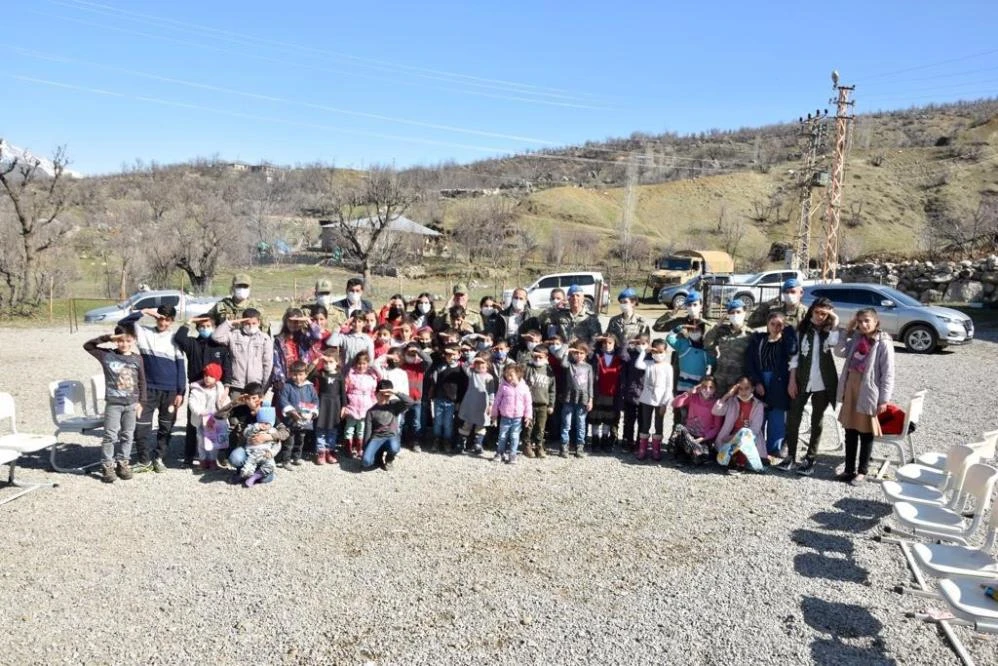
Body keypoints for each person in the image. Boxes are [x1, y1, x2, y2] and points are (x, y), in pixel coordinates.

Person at [120, 305, 186, 474]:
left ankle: (159, 458)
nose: (163, 322)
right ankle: (144, 460)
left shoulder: (175, 339)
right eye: (160, 318)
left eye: (167, 319)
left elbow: (181, 367)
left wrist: (181, 392)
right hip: (147, 390)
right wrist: (144, 312)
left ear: (171, 321)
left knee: (166, 427)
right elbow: (123, 322)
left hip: (170, 392)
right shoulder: (144, 333)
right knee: (141, 426)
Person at [834, 308, 895, 486]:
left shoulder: (883, 342)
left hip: (868, 391)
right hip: (851, 387)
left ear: (876, 322)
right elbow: (839, 352)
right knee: (850, 430)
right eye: (860, 321)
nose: (863, 324)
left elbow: (888, 373)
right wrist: (848, 330)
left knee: (865, 432)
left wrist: (884, 399)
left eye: (867, 320)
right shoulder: (857, 337)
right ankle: (848, 469)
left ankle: (862, 471)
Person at [779, 298, 840, 475]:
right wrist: (791, 381)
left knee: (817, 419)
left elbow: (834, 344)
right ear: (812, 311)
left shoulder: (829, 330)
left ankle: (810, 457)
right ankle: (790, 455)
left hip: (823, 381)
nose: (820, 316)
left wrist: (834, 322)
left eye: (825, 313)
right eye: (818, 312)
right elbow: (795, 356)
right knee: (793, 417)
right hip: (801, 379)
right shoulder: (802, 329)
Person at [83, 327, 147, 483]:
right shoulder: (107, 356)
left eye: (127, 340)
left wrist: (142, 402)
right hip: (114, 404)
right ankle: (107, 465)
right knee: (110, 436)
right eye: (120, 340)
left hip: (131, 404)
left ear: (134, 340)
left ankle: (123, 463)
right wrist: (107, 337)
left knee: (127, 435)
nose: (124, 344)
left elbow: (142, 381)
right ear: (115, 340)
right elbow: (88, 346)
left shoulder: (137, 359)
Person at [174, 316, 230, 466]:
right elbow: (179, 337)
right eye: (201, 326)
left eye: (208, 325)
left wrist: (226, 387)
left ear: (214, 327)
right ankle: (189, 455)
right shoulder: (192, 343)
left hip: (215, 390)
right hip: (197, 390)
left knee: (217, 424)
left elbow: (227, 369)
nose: (204, 328)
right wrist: (189, 321)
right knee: (194, 423)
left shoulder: (220, 346)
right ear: (198, 328)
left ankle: (217, 456)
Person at [746, 311, 798, 461]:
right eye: (772, 324)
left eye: (779, 324)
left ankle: (774, 449)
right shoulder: (758, 341)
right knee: (759, 416)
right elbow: (750, 363)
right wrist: (756, 382)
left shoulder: (786, 342)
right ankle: (758, 447)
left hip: (779, 383)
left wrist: (788, 330)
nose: (776, 327)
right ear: (767, 325)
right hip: (761, 379)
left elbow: (793, 351)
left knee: (777, 417)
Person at [211, 308, 273, 401]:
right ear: (242, 322)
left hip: (256, 386)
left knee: (254, 414)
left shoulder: (264, 339)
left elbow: (267, 364)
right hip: (237, 386)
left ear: (259, 323)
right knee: (235, 413)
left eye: (254, 323)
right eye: (247, 323)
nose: (250, 326)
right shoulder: (234, 335)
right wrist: (229, 323)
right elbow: (216, 337)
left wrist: (264, 388)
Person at [711, 376, 766, 473]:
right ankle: (732, 461)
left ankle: (737, 463)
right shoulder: (732, 401)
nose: (743, 392)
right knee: (726, 456)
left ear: (752, 389)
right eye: (740, 389)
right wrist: (728, 395)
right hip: (730, 439)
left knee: (744, 432)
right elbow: (716, 411)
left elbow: (755, 429)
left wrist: (735, 437)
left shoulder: (758, 405)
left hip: (749, 439)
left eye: (747, 388)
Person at [634, 338, 674, 462]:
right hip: (647, 398)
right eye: (655, 352)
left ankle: (656, 449)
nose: (658, 355)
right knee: (645, 423)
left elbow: (669, 387)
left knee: (658, 424)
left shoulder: (668, 367)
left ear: (666, 352)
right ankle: (643, 449)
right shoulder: (649, 363)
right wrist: (644, 351)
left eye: (661, 352)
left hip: (660, 400)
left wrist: (664, 403)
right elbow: (638, 364)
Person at [362, 380, 415, 471]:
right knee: (366, 462)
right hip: (377, 437)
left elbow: (410, 402)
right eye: (381, 394)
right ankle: (378, 455)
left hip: (391, 436)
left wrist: (396, 392)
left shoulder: (394, 405)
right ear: (376, 393)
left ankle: (389, 459)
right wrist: (366, 448)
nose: (384, 397)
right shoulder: (371, 411)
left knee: (394, 448)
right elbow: (368, 431)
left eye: (387, 395)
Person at [554, 340, 594, 458]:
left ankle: (579, 446)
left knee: (581, 424)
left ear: (586, 354)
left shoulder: (588, 367)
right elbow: (562, 363)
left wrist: (591, 399)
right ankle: (564, 446)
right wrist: (568, 350)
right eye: (576, 353)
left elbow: (590, 384)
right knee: (566, 423)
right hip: (569, 398)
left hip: (583, 398)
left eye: (582, 353)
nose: (579, 355)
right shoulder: (569, 365)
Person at [703, 299, 752, 395]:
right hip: (720, 380)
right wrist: (717, 326)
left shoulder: (750, 334)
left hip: (737, 383)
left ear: (744, 313)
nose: (735, 315)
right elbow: (707, 343)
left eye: (738, 312)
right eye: (732, 312)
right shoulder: (722, 331)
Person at [669, 376, 722, 464]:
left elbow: (716, 428)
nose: (707, 390)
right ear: (700, 387)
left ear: (715, 389)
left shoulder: (716, 404)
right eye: (704, 386)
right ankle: (684, 454)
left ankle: (690, 456)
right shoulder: (693, 397)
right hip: (688, 435)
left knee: (700, 453)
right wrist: (688, 393)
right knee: (679, 428)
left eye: (711, 387)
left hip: (703, 439)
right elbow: (675, 404)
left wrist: (701, 439)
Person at [187, 362, 229, 472]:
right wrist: (200, 412)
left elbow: (225, 402)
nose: (207, 378)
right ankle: (202, 460)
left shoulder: (220, 389)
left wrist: (222, 407)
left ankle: (212, 460)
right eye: (206, 375)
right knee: (201, 440)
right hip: (201, 419)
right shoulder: (196, 389)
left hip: (215, 420)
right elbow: (192, 403)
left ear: (216, 378)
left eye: (211, 376)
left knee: (213, 442)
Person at [272, 307, 317, 410]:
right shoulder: (279, 339)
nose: (294, 324)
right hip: (286, 380)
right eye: (291, 321)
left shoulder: (305, 337)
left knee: (302, 405)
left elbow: (317, 335)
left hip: (302, 377)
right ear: (286, 321)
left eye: (297, 322)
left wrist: (309, 321)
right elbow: (276, 360)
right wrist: (279, 379)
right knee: (286, 407)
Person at [426, 344, 468, 452]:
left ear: (459, 355)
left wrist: (459, 401)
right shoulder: (440, 367)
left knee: (448, 423)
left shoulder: (461, 370)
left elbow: (463, 387)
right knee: (437, 422)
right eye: (448, 355)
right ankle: (436, 440)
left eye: (454, 354)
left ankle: (447, 441)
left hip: (452, 401)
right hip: (439, 398)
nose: (451, 357)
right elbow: (434, 357)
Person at [279, 360, 319, 467]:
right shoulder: (287, 386)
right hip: (291, 420)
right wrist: (291, 411)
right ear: (290, 374)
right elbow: (283, 400)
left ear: (306, 374)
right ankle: (286, 460)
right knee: (289, 442)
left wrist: (312, 413)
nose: (297, 377)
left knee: (300, 441)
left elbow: (315, 400)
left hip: (304, 420)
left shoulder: (309, 387)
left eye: (301, 374)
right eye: (295, 374)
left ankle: (296, 457)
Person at [589, 334, 625, 453]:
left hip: (612, 393)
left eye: (610, 343)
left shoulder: (619, 357)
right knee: (596, 417)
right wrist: (596, 340)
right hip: (598, 392)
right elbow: (589, 350)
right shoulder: (597, 355)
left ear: (615, 344)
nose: (607, 345)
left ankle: (605, 439)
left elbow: (625, 351)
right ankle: (595, 439)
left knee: (608, 417)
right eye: (604, 343)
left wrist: (616, 343)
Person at [341, 351, 379, 459]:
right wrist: (344, 405)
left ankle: (359, 448)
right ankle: (348, 448)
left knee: (361, 429)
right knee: (349, 428)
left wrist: (374, 405)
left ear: (368, 364)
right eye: (359, 364)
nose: (361, 366)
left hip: (366, 406)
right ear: (355, 364)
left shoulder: (371, 376)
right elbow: (345, 389)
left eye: (364, 363)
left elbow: (373, 392)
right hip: (352, 405)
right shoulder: (350, 375)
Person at [311, 346, 345, 465]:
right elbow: (309, 373)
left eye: (331, 362)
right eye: (325, 362)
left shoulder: (340, 376)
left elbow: (343, 393)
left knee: (332, 430)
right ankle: (321, 452)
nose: (327, 364)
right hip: (322, 403)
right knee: (320, 429)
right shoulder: (321, 374)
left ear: (337, 362)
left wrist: (344, 407)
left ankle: (330, 451)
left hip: (335, 405)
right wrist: (318, 360)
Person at [492, 364, 532, 464]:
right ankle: (500, 452)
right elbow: (497, 400)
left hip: (517, 417)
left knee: (514, 436)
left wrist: (528, 416)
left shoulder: (524, 388)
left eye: (511, 375)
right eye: (506, 375)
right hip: (505, 416)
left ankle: (513, 454)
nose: (508, 378)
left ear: (518, 374)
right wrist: (494, 413)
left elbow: (528, 403)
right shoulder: (503, 386)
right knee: (502, 436)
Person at [457, 355, 497, 455]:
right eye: (478, 365)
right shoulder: (472, 374)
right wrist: (474, 359)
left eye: (483, 365)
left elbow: (491, 392)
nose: (480, 367)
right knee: (467, 424)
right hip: (470, 403)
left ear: (487, 366)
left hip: (483, 404)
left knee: (481, 425)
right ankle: (461, 444)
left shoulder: (489, 377)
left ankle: (478, 444)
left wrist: (491, 404)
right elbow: (464, 366)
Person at [523, 343, 556, 458]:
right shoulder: (528, 368)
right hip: (529, 403)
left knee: (541, 427)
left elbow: (552, 389)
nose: (537, 359)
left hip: (543, 404)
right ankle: (527, 445)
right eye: (535, 356)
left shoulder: (548, 370)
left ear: (546, 357)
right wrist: (530, 354)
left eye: (540, 357)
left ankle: (539, 445)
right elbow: (521, 364)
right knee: (529, 426)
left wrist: (551, 404)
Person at [618, 335, 649, 453]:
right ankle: (627, 442)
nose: (641, 346)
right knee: (629, 420)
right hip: (631, 392)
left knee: (642, 421)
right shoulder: (630, 355)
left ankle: (639, 443)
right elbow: (622, 354)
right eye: (639, 343)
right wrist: (629, 341)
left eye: (644, 343)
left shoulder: (650, 356)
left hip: (645, 394)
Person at [238, 405, 282, 487]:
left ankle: (254, 477)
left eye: (267, 423)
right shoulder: (252, 427)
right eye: (261, 422)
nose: (264, 425)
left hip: (265, 454)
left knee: (270, 465)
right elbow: (245, 433)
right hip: (252, 453)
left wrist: (272, 453)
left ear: (271, 423)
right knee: (247, 469)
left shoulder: (273, 432)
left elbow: (277, 444)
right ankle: (243, 476)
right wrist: (256, 427)